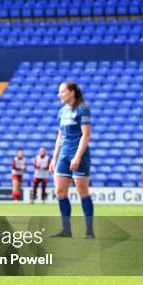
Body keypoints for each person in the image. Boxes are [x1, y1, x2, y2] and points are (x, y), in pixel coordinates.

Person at [50, 81, 94, 238]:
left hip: (79, 154)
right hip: (64, 155)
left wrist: (77, 157)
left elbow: (86, 135)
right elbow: (60, 135)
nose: (59, 95)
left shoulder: (82, 109)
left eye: (62, 91)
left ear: (72, 92)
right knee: (60, 191)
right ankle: (66, 230)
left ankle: (89, 231)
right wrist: (54, 158)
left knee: (82, 191)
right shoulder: (62, 111)